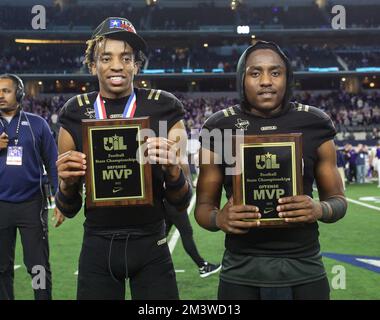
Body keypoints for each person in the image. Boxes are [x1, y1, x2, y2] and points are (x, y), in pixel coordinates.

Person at [195, 40, 347, 300]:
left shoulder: (315, 122)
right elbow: (203, 208)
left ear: (288, 78)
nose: (266, 81)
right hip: (241, 267)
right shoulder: (219, 126)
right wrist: (218, 219)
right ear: (242, 78)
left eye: (275, 72)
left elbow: (339, 202)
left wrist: (319, 208)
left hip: (304, 264)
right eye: (255, 73)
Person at [55, 17, 192, 300]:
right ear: (92, 65)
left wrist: (174, 170)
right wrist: (66, 185)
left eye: (126, 58)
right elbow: (68, 207)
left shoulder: (164, 107)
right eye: (106, 57)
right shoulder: (75, 111)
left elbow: (182, 199)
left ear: (136, 65)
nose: (117, 65)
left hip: (150, 242)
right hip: (97, 243)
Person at [0, 73, 58, 300]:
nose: (0, 96)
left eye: (6, 91)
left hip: (32, 205)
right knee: (1, 267)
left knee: (38, 266)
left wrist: (60, 199)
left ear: (20, 93)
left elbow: (53, 164)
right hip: (0, 206)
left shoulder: (37, 123)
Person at [164, 164, 221, 278]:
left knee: (161, 234)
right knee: (186, 232)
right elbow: (181, 162)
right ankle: (202, 266)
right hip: (173, 196)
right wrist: (188, 182)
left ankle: (146, 263)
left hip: (166, 196)